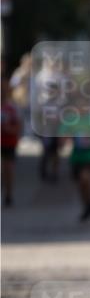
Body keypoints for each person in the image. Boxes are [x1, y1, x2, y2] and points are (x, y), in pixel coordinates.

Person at [1, 74, 20, 206]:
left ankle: (8, 194)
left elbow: (18, 127)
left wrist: (9, 129)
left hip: (8, 142)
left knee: (8, 168)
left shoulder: (12, 107)